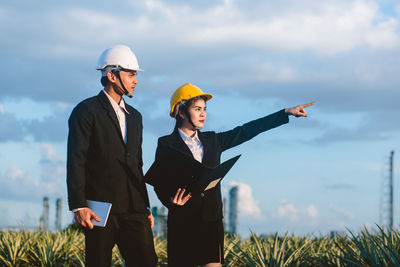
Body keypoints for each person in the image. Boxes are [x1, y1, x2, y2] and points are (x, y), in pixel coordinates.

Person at [152, 83, 314, 267]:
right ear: (181, 112)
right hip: (183, 222)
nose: (203, 114)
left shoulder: (213, 140)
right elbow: (159, 181)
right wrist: (170, 200)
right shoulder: (166, 144)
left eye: (204, 109)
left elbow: (246, 131)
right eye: (197, 109)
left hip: (211, 222)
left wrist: (284, 113)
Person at [66, 45, 157, 267]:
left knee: (147, 262)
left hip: (134, 209)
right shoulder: (86, 111)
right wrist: (79, 205)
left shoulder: (136, 117)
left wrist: (145, 206)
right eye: (131, 74)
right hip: (99, 210)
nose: (136, 80)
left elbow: (137, 164)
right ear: (112, 75)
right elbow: (76, 159)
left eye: (136, 75)